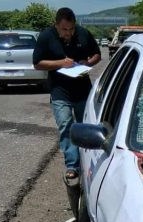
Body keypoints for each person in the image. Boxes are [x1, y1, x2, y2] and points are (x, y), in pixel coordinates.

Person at [33, 7, 100, 184]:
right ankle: (73, 165)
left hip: (82, 89)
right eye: (64, 29)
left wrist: (88, 62)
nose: (68, 33)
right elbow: (38, 63)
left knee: (85, 127)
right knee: (65, 125)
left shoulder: (83, 33)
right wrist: (60, 63)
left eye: (71, 29)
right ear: (56, 26)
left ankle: (89, 162)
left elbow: (97, 54)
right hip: (59, 90)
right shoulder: (46, 36)